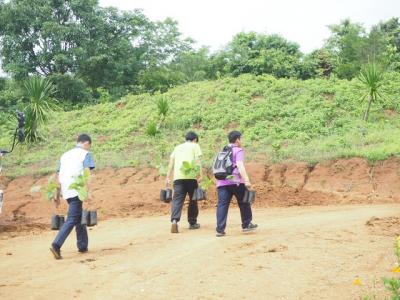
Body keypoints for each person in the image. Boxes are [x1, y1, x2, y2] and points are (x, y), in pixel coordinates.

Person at [50, 134, 95, 260]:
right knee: (73, 218)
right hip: (77, 189)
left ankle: (82, 245)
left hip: (66, 190)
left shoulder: (64, 155)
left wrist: (57, 195)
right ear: (86, 143)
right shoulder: (85, 154)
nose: (88, 149)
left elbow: (57, 176)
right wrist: (89, 191)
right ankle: (56, 244)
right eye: (89, 146)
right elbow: (87, 173)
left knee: (79, 215)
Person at [215, 131, 257, 237]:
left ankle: (220, 229)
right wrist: (246, 180)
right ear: (237, 140)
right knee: (243, 203)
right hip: (236, 181)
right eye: (240, 139)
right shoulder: (238, 150)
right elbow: (240, 165)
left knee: (222, 205)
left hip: (222, 182)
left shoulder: (222, 151)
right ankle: (246, 224)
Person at [166, 131, 203, 233]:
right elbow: (198, 161)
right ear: (195, 139)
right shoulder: (195, 146)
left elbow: (171, 163)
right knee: (193, 199)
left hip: (178, 178)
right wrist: (200, 175)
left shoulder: (177, 148)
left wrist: (168, 177)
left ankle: (174, 221)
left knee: (177, 200)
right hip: (191, 177)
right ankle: (192, 223)